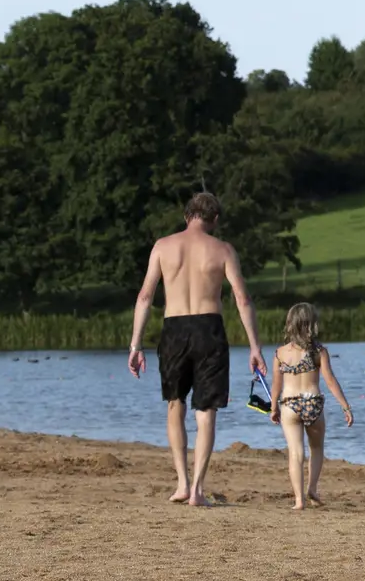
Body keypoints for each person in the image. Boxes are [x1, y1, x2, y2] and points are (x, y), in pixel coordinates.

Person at [127, 192, 267, 508]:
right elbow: (242, 299)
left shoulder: (163, 246)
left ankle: (181, 483)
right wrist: (255, 347)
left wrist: (136, 344)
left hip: (174, 329)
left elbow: (144, 297)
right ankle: (198, 490)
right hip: (209, 329)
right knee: (206, 412)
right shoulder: (223, 250)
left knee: (175, 404)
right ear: (214, 219)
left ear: (186, 214)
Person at [268, 303, 353, 509]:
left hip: (289, 404)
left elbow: (276, 385)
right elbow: (330, 380)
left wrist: (273, 407)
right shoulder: (318, 351)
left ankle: (299, 500)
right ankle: (312, 488)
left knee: (295, 452)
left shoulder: (280, 353)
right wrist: (345, 406)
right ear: (311, 324)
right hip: (312, 401)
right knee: (316, 448)